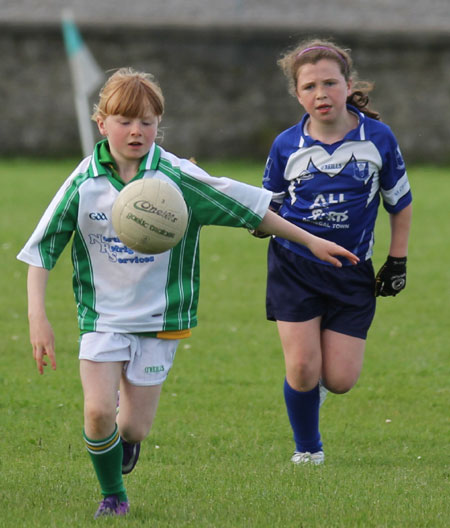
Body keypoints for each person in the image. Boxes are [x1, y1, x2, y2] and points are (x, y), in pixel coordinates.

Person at [17, 68, 358, 519]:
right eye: (124, 121)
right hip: (102, 319)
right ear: (102, 124)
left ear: (159, 124)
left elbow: (247, 210)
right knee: (98, 412)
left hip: (162, 322)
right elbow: (43, 250)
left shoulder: (177, 178)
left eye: (147, 121)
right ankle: (114, 496)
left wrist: (310, 239)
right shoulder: (84, 182)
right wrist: (37, 318)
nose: (136, 131)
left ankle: (126, 441)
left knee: (132, 427)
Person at [257, 39, 412, 465]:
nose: (320, 94)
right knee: (303, 367)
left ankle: (315, 392)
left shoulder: (377, 138)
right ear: (297, 94)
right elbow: (267, 209)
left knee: (340, 379)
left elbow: (400, 203)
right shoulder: (285, 145)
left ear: (348, 85)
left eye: (330, 83)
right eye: (309, 86)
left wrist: (396, 261)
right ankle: (308, 450)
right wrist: (261, 221)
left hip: (351, 269)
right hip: (294, 265)